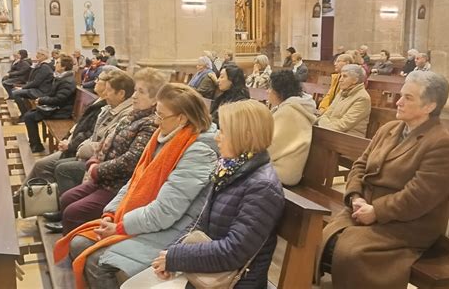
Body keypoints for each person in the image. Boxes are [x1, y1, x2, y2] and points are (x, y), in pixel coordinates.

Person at [53, 83, 218, 289]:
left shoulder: (199, 152)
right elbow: (134, 182)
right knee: (79, 242)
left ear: (181, 118)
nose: (157, 121)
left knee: (98, 262)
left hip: (175, 230)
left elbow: (166, 211)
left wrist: (121, 227)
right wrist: (111, 214)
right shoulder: (165, 138)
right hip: (148, 219)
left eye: (161, 115)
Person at [317, 71, 449, 289]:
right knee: (321, 238)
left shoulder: (440, 143)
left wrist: (376, 211)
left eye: (408, 98)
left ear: (430, 106)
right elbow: (360, 165)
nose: (398, 102)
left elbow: (419, 196)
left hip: (407, 223)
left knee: (350, 252)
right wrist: (355, 197)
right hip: (365, 209)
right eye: (400, 95)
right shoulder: (389, 129)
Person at [150, 100, 285, 289]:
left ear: (244, 136)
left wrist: (176, 258)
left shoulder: (263, 187)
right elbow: (199, 222)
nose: (216, 138)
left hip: (234, 282)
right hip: (209, 272)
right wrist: (170, 253)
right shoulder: (229, 170)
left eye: (223, 132)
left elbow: (234, 251)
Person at [45, 68, 166, 234]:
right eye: (136, 90)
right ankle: (72, 232)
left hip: (118, 184)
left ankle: (75, 247)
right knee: (67, 198)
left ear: (155, 100)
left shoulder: (149, 124)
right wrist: (95, 159)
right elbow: (106, 140)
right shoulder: (132, 115)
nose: (134, 96)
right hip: (104, 177)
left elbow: (130, 161)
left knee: (74, 211)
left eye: (141, 92)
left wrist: (97, 169)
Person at [54, 69, 134, 194]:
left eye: (108, 90)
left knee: (62, 168)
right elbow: (93, 134)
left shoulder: (125, 115)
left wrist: (75, 147)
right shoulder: (107, 107)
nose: (105, 94)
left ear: (121, 94)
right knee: (58, 165)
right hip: (87, 152)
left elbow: (106, 143)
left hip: (101, 161)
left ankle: (69, 203)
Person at [267, 70, 316, 186]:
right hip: (276, 165)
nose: (267, 91)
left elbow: (272, 146)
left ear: (279, 92)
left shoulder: (289, 112)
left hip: (283, 170)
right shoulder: (289, 108)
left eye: (270, 88)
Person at [23, 55, 76, 153]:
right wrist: (42, 99)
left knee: (28, 117)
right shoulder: (61, 77)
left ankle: (36, 146)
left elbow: (59, 99)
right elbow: (53, 95)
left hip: (62, 111)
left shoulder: (67, 81)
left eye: (57, 63)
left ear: (64, 67)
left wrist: (42, 100)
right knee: (29, 114)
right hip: (56, 108)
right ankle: (35, 144)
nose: (55, 65)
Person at [317, 64, 371, 137]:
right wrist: (322, 125)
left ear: (355, 80)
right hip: (331, 132)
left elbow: (344, 124)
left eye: (344, 76)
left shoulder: (363, 98)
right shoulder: (342, 92)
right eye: (341, 76)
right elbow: (327, 113)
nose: (340, 80)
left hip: (349, 138)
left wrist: (323, 127)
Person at [12, 48, 54, 117]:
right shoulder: (41, 65)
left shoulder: (45, 67)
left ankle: (24, 114)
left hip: (42, 91)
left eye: (38, 54)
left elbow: (36, 82)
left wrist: (22, 88)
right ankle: (26, 112)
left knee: (15, 93)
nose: (36, 56)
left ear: (43, 56)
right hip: (37, 88)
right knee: (15, 91)